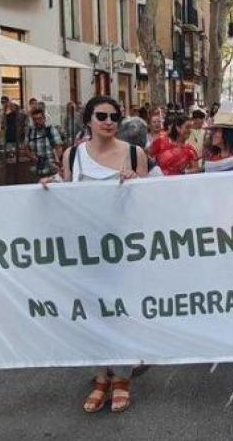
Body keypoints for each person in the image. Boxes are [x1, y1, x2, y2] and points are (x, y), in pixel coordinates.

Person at [43, 96, 149, 414]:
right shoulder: (72, 155)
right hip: (85, 251)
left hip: (124, 248)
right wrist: (49, 186)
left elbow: (150, 205)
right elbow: (66, 197)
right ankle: (101, 377)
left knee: (120, 312)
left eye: (114, 117)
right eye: (101, 116)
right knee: (92, 313)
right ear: (88, 120)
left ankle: (122, 377)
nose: (108, 122)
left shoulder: (135, 153)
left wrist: (137, 184)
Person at [26, 105, 64, 180]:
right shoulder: (30, 132)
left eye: (39, 119)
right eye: (35, 119)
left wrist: (54, 162)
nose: (37, 121)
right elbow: (26, 149)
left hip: (52, 171)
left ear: (44, 118)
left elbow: (59, 148)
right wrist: (32, 157)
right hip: (36, 171)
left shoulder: (51, 130)